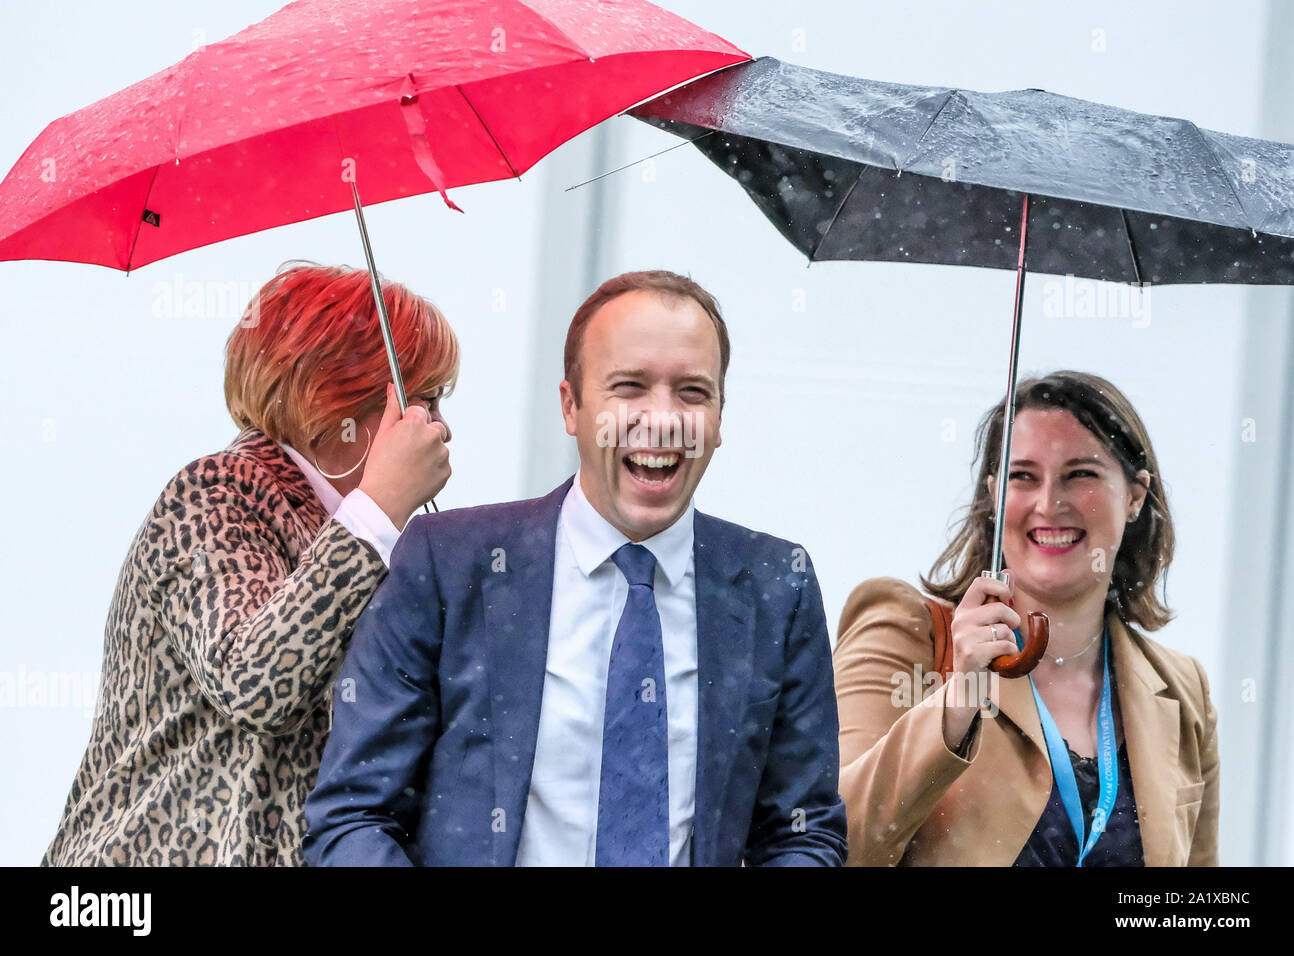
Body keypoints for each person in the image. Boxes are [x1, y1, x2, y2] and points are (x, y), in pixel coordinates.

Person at [303, 270, 847, 866]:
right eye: (630, 387)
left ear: (719, 418)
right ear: (571, 407)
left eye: (692, 392)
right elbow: (353, 815)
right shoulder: (447, 563)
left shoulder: (777, 584)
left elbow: (803, 833)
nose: (663, 419)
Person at [41, 262, 457, 866]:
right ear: (333, 393)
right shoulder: (215, 491)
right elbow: (257, 681)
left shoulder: (369, 535)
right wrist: (379, 508)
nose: (440, 426)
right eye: (423, 399)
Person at [834, 370, 1219, 866]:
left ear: (1136, 496)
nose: (1049, 503)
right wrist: (955, 703)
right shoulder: (908, 635)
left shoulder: (1183, 691)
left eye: (1080, 474)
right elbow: (832, 845)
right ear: (994, 495)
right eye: (1023, 476)